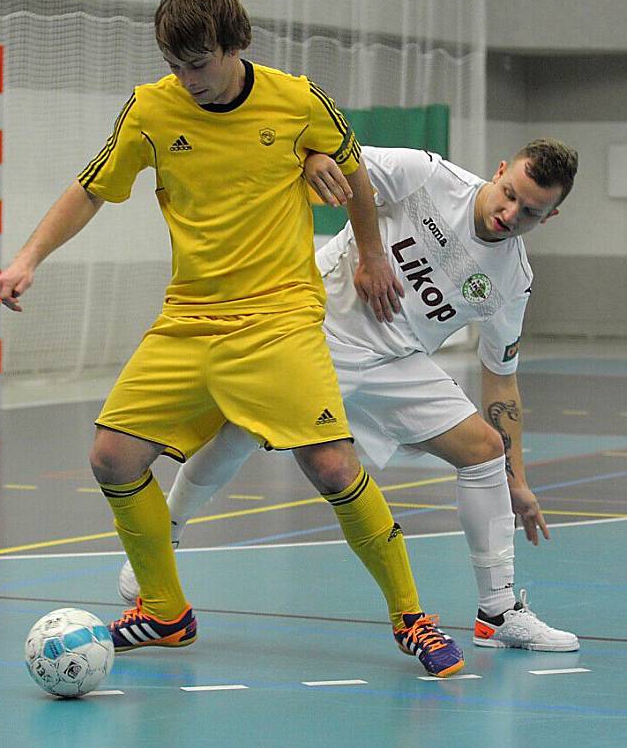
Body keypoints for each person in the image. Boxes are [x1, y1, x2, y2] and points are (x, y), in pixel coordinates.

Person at [0, 0, 464, 677]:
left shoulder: (298, 99)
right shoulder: (151, 110)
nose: (187, 81)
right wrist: (27, 257)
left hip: (279, 317)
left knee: (334, 465)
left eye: (199, 63)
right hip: (188, 320)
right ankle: (164, 610)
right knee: (112, 457)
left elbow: (356, 171)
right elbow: (92, 186)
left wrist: (370, 254)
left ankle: (411, 616)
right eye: (174, 65)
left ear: (235, 45)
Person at [118, 139, 580, 653]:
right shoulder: (426, 176)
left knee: (484, 452)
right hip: (311, 329)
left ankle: (497, 614)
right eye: (509, 194)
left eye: (530, 212)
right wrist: (369, 252)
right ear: (498, 170)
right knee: (240, 434)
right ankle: (163, 542)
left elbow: (501, 379)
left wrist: (518, 480)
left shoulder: (513, 279)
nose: (510, 213)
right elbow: (334, 160)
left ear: (551, 216)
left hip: (394, 362)